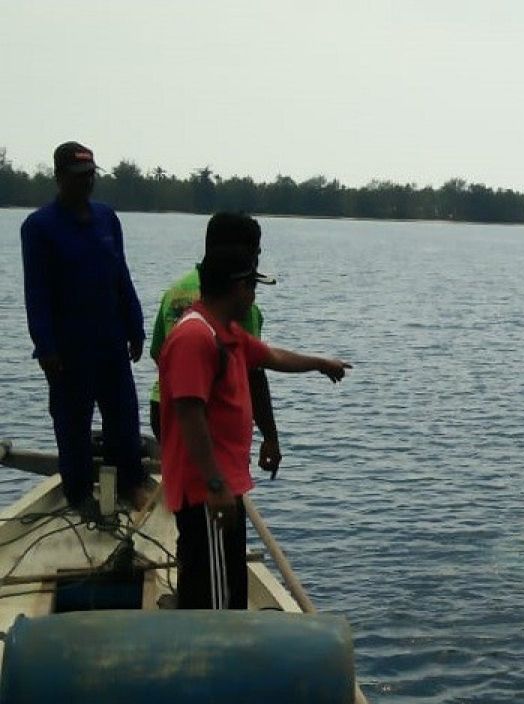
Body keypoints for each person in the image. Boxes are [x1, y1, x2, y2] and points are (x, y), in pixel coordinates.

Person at [158, 246, 350, 609]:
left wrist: (321, 363)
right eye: (252, 287)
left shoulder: (225, 333)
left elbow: (271, 356)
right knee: (212, 604)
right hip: (205, 494)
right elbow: (189, 414)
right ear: (238, 288)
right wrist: (214, 485)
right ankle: (209, 658)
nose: (254, 296)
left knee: (227, 594)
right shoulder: (195, 337)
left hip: (223, 488)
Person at [20, 141, 149, 511]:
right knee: (72, 423)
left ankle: (130, 482)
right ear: (59, 178)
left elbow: (121, 276)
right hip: (68, 348)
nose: (86, 183)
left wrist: (135, 326)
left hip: (111, 340)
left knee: (123, 416)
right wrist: (45, 346)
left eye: (91, 175)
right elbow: (37, 292)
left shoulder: (107, 218)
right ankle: (78, 493)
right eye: (78, 177)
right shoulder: (39, 227)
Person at [149, 213, 281, 477]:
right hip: (210, 418)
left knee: (187, 495)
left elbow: (158, 352)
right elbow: (253, 373)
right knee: (217, 499)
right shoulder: (236, 303)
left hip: (162, 407)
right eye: (256, 253)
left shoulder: (175, 291)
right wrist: (270, 437)